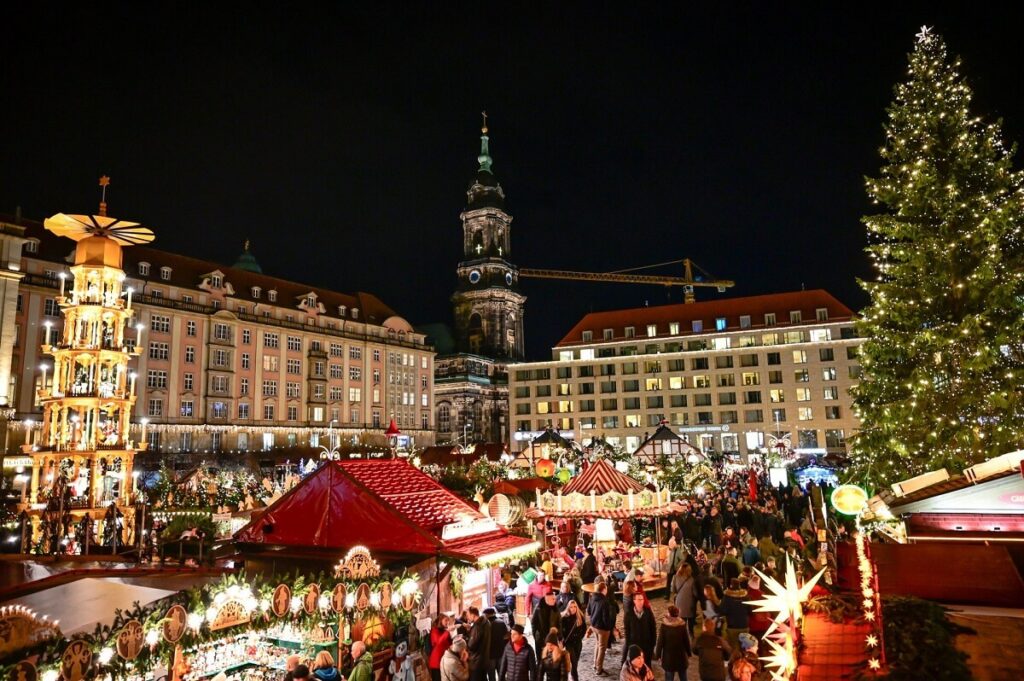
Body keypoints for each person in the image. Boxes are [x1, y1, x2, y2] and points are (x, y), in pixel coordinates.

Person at [653, 605, 692, 681]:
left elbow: (660, 642)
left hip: (669, 658)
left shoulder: (664, 626)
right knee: (683, 677)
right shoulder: (682, 625)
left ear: (670, 614)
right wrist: (689, 653)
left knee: (669, 678)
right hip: (681, 657)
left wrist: (658, 655)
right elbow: (686, 641)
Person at [620, 593, 656, 668]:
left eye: (642, 599)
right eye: (639, 599)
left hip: (647, 643)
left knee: (647, 664)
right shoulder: (628, 614)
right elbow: (627, 629)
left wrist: (653, 642)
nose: (641, 601)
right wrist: (629, 643)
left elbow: (653, 627)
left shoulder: (648, 612)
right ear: (634, 601)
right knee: (636, 665)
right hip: (635, 643)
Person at [586, 582, 614, 676]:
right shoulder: (604, 601)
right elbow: (606, 618)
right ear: (604, 589)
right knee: (602, 648)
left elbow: (588, 611)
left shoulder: (591, 597)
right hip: (602, 628)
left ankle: (595, 664)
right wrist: (609, 628)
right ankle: (599, 669)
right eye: (606, 589)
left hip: (594, 625)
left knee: (597, 645)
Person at [694, 616, 732, 681]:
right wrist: (725, 657)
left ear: (704, 628)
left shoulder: (699, 640)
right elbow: (728, 652)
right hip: (718, 673)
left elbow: (694, 650)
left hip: (705, 673)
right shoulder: (720, 640)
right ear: (713, 628)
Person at [719, 579, 751, 651]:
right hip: (744, 625)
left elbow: (722, 611)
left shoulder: (727, 597)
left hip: (732, 626)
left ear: (731, 585)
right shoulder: (746, 596)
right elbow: (750, 610)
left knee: (734, 648)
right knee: (746, 648)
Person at [560, 599, 586, 681]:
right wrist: (562, 640)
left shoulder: (580, 616)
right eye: (571, 607)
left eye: (575, 606)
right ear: (568, 608)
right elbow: (561, 631)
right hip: (569, 643)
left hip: (578, 643)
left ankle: (572, 674)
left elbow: (584, 629)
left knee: (576, 661)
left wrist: (580, 637)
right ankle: (575, 678)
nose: (573, 608)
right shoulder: (564, 618)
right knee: (574, 662)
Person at [532, 590, 561, 657]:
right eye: (553, 599)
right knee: (540, 656)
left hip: (551, 637)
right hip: (540, 637)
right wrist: (535, 635)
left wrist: (559, 636)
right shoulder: (538, 608)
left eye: (554, 598)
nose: (555, 600)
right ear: (547, 600)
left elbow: (559, 623)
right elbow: (533, 623)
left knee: (551, 657)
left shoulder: (555, 608)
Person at [671, 564, 698, 637]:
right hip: (690, 604)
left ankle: (682, 637)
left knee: (681, 622)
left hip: (679, 603)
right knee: (691, 623)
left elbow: (673, 590)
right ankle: (691, 636)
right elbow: (695, 593)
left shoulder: (675, 577)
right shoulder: (691, 580)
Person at [467, 606, 492, 681]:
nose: (467, 618)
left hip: (476, 662)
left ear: (473, 615)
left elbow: (471, 645)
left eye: (468, 615)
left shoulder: (477, 626)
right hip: (484, 660)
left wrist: (466, 638)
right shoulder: (486, 622)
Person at [484, 607, 508, 681]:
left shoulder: (485, 624)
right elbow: (506, 636)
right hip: (500, 653)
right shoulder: (501, 622)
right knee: (502, 675)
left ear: (486, 615)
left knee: (491, 677)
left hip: (490, 655)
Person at [429, 615, 454, 681]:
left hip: (444, 660)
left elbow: (449, 644)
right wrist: (447, 631)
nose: (447, 622)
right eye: (446, 620)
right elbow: (438, 642)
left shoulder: (444, 631)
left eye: (448, 620)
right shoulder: (434, 630)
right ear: (440, 621)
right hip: (436, 662)